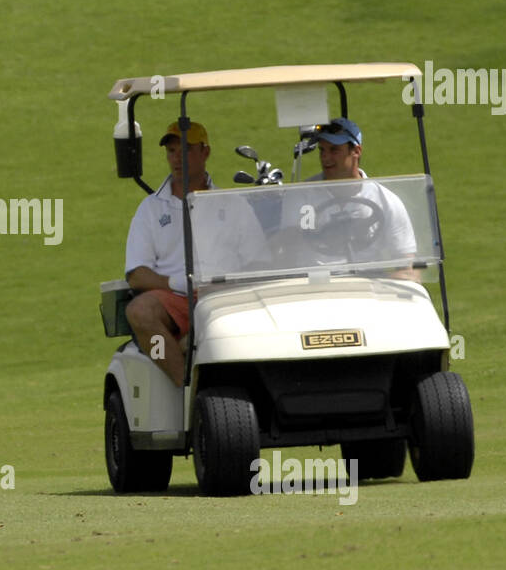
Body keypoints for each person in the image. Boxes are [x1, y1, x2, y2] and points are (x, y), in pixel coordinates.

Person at [124, 121, 265, 386]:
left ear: (205, 152)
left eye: (185, 150)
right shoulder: (151, 209)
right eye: (172, 151)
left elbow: (258, 261)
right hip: (175, 301)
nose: (177, 158)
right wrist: (175, 283)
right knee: (140, 312)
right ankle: (188, 387)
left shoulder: (232, 204)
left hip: (225, 297)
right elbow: (137, 274)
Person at [284, 116, 417, 277]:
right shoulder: (301, 197)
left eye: (334, 150)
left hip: (368, 284)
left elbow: (407, 263)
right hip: (317, 285)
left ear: (356, 151)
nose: (325, 157)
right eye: (322, 150)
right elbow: (288, 249)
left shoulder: (386, 200)